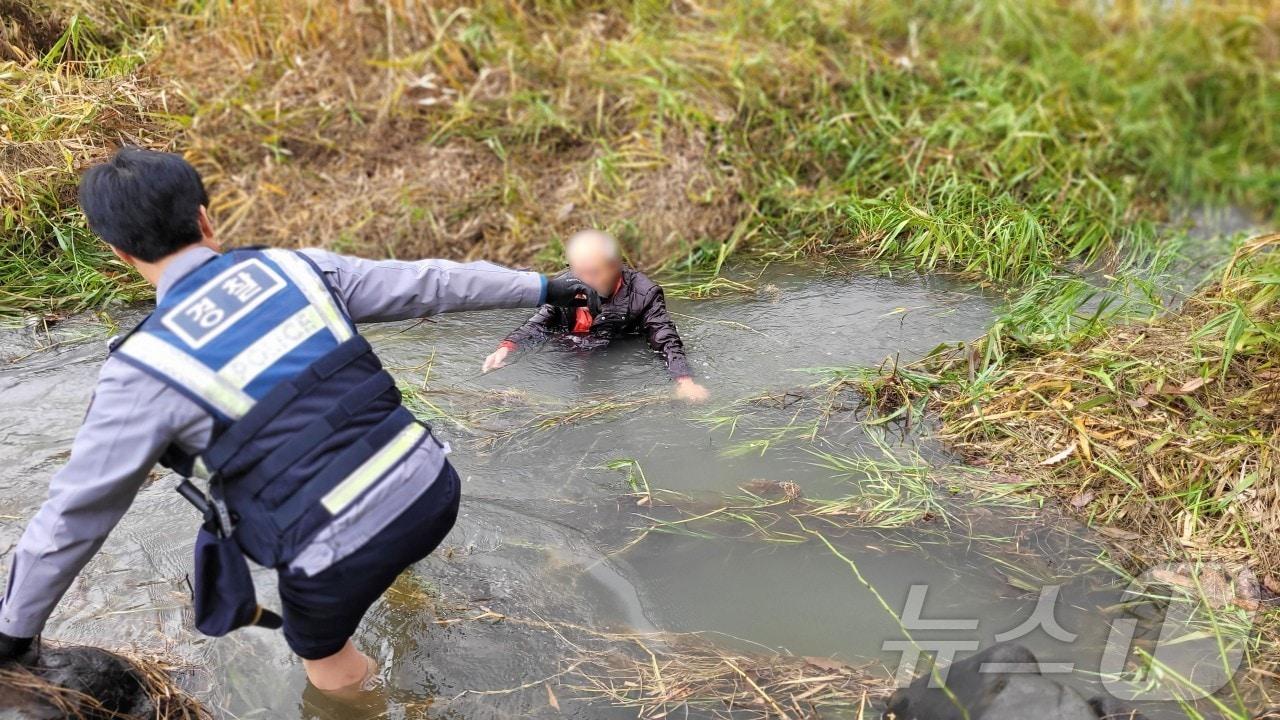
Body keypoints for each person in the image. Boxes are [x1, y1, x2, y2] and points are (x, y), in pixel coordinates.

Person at [0, 147, 598, 693]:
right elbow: (429, 283)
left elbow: (75, 514)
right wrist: (545, 285)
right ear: (206, 219)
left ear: (119, 252)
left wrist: (13, 632)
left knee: (327, 665)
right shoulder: (297, 268)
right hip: (433, 486)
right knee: (378, 541)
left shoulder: (141, 370)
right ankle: (401, 589)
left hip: (338, 551)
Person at [482, 229, 710, 402]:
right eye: (578, 272)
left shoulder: (644, 293)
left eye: (592, 273)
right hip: (564, 354)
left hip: (611, 358)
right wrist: (507, 347)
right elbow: (540, 322)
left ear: (615, 266)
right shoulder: (566, 285)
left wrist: (684, 380)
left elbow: (664, 338)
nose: (583, 281)